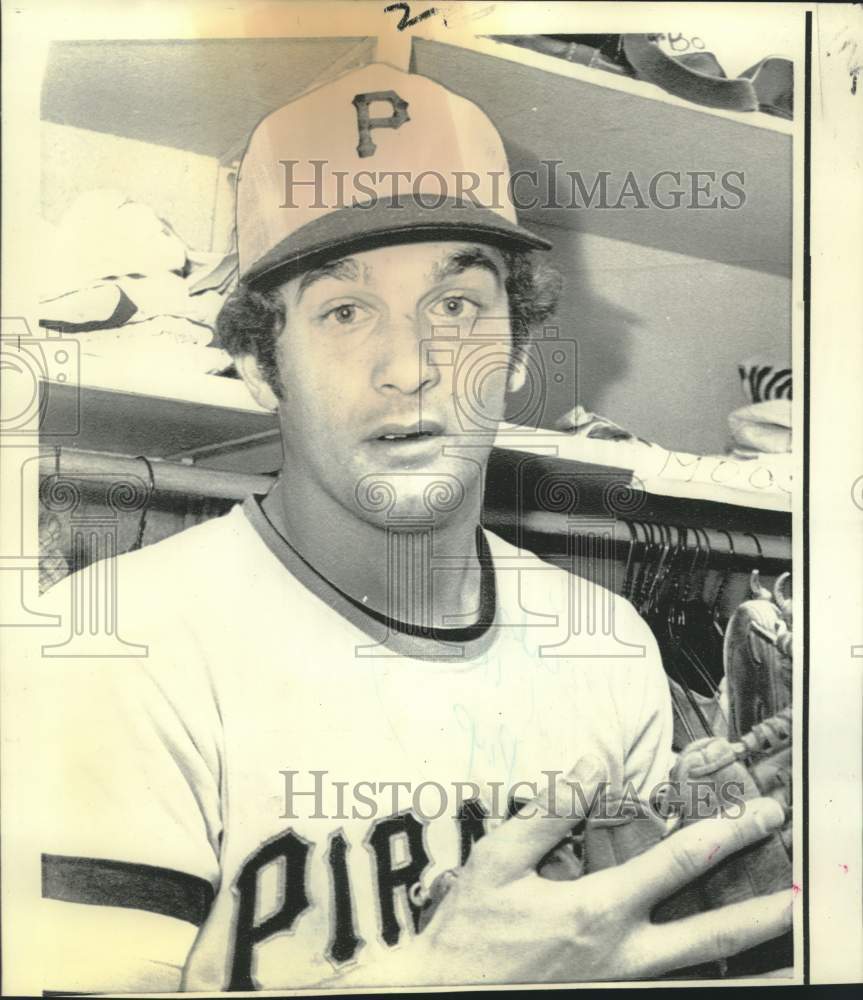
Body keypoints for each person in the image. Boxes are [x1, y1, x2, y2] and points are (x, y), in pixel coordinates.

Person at [24, 63, 791, 992]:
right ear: (261, 369)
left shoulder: (610, 646)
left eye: (457, 306)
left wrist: (715, 888)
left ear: (515, 356)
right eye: (345, 311)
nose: (410, 364)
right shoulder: (111, 642)